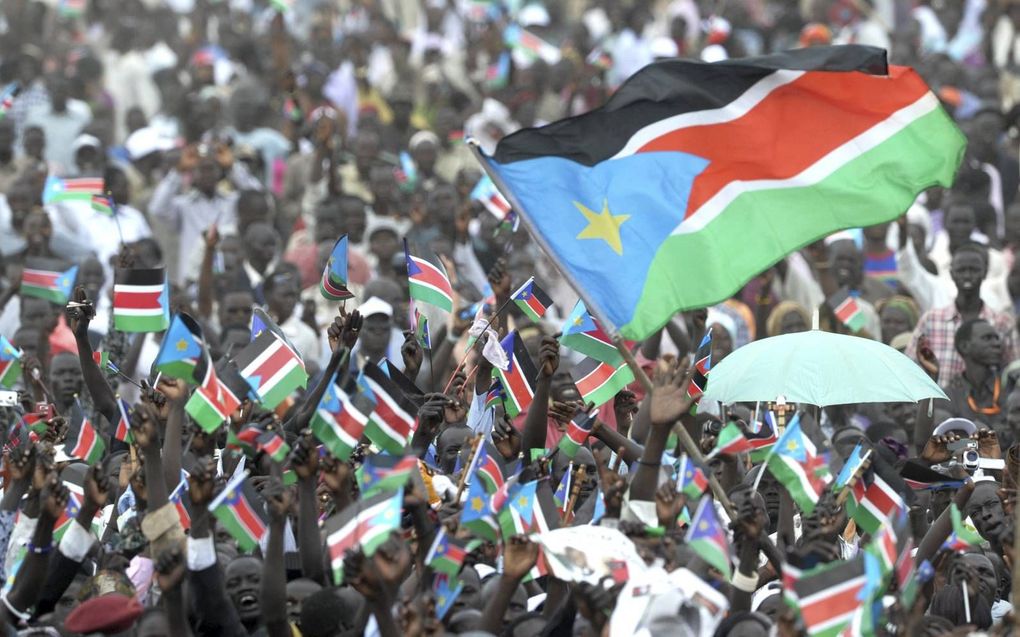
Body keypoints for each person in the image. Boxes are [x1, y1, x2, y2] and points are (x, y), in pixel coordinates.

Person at [908, 244, 1020, 385]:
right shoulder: (931, 320)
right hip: (939, 404)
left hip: (987, 404)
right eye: (961, 270)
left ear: (984, 273)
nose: (967, 276)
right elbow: (910, 367)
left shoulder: (1002, 322)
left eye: (973, 270)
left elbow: (1014, 372)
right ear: (952, 273)